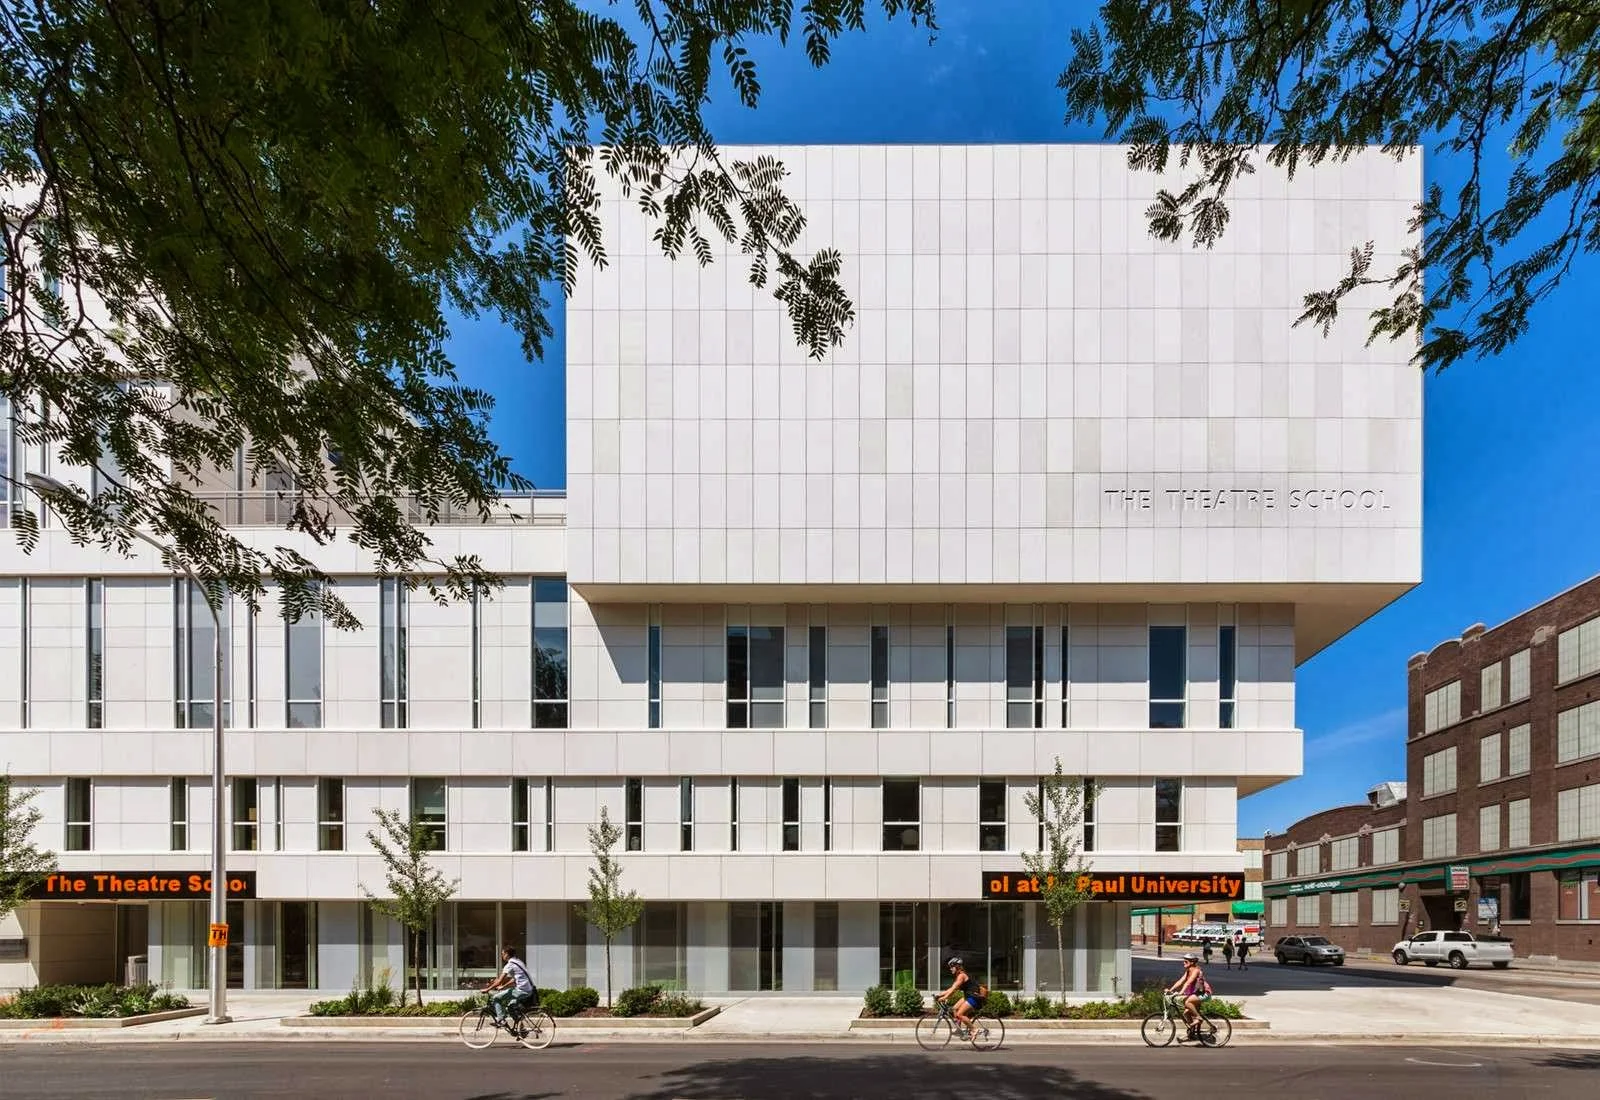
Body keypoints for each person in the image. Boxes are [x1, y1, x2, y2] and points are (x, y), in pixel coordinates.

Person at [935, 955, 986, 1041]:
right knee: (954, 1009)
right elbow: (951, 989)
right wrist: (939, 995)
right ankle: (960, 1030)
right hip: (968, 996)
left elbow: (953, 990)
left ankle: (974, 1030)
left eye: (952, 967)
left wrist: (945, 998)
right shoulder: (958, 977)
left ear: (957, 967)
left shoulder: (961, 976)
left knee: (960, 1014)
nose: (950, 969)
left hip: (974, 998)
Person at [483, 946, 537, 1024]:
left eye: (503, 954)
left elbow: (499, 980)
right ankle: (521, 1029)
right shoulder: (519, 962)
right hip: (528, 990)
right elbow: (514, 979)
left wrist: (487, 989)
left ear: (507, 954)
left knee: (496, 998)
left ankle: (501, 1019)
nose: (502, 956)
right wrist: (503, 987)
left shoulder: (510, 965)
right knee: (510, 1007)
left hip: (521, 990)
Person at [1164, 953, 1209, 1041]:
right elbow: (1180, 981)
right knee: (1186, 1013)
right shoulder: (1188, 971)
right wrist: (1170, 990)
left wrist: (1181, 992)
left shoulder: (1196, 970)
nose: (1183, 963)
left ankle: (1199, 1018)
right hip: (1196, 994)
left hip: (1204, 994)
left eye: (1185, 961)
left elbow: (1188, 982)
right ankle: (1191, 1035)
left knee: (1188, 1002)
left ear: (1192, 962)